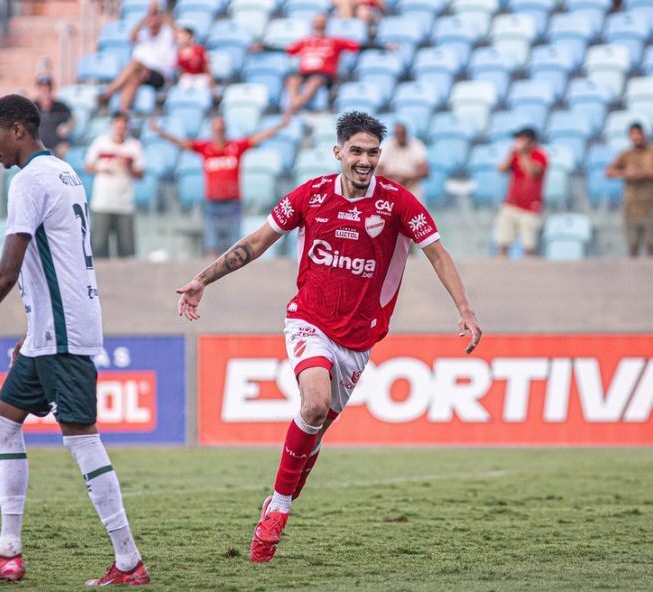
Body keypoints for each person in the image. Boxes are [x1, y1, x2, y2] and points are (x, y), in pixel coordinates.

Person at [174, 111, 482, 564]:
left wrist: (465, 309)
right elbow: (258, 241)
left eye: (372, 152)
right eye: (356, 151)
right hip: (309, 321)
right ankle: (278, 510)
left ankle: (278, 499)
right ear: (338, 152)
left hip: (359, 339)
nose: (364, 160)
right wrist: (204, 277)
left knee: (315, 431)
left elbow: (437, 253)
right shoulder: (311, 194)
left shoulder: (398, 202)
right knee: (313, 404)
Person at [0, 94, 149, 586]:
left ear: (17, 130)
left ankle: (129, 561)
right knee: (3, 422)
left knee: (81, 438)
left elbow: (8, 270)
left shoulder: (29, 179)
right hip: (53, 328)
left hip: (65, 331)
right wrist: (34, 329)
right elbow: (58, 261)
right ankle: (8, 551)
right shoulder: (65, 171)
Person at [150, 113, 291, 257]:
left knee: (234, 245)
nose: (219, 132)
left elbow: (258, 138)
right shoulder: (205, 148)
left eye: (221, 129)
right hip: (212, 203)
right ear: (211, 131)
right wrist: (160, 132)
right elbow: (181, 143)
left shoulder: (235, 147)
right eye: (216, 129)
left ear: (225, 130)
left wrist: (280, 126)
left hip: (233, 203)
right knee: (212, 244)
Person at [85, 111, 144, 258]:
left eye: (124, 125)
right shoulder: (100, 142)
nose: (121, 128)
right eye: (118, 124)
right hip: (102, 201)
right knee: (99, 247)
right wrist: (101, 169)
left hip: (124, 203)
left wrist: (127, 167)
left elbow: (140, 174)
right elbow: (88, 166)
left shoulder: (134, 146)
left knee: (126, 249)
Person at [99, 4, 177, 113]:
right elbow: (131, 36)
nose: (152, 27)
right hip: (142, 73)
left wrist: (161, 12)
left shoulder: (166, 36)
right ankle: (123, 112)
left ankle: (108, 93)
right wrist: (147, 15)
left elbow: (177, 33)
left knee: (135, 64)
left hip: (160, 75)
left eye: (155, 25)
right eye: (150, 24)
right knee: (133, 79)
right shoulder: (143, 35)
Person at [283, 14, 366, 114]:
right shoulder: (305, 41)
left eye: (321, 21)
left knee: (314, 81)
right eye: (317, 21)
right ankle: (295, 102)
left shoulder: (334, 41)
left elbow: (358, 46)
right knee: (292, 80)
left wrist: (382, 46)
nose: (319, 24)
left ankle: (295, 106)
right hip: (305, 73)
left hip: (324, 75)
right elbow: (287, 50)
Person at [493, 128, 548, 257]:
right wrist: (511, 154)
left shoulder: (540, 155)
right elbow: (501, 169)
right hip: (512, 204)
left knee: (528, 247)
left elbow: (532, 173)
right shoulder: (514, 154)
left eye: (521, 138)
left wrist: (523, 154)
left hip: (531, 207)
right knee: (503, 243)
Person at [606, 122, 653, 257]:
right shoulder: (626, 155)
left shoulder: (652, 152)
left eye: (638, 134)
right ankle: (633, 277)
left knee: (652, 246)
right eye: (633, 135)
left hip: (651, 206)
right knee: (633, 246)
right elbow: (609, 172)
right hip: (631, 206)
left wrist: (643, 173)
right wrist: (626, 173)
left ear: (644, 135)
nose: (636, 138)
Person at [377, 122, 429, 202]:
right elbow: (379, 172)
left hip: (412, 190)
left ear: (406, 133)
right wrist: (398, 177)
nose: (400, 136)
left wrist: (406, 178)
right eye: (398, 133)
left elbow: (424, 172)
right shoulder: (386, 145)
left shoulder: (417, 145)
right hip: (390, 190)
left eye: (402, 133)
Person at [32, 72, 73, 159]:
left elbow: (71, 120)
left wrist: (67, 126)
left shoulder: (61, 107)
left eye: (47, 88)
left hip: (57, 147)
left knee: (65, 151)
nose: (45, 91)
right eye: (42, 88)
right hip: (37, 146)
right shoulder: (32, 107)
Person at [174, 25, 213, 91]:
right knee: (184, 82)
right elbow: (181, 71)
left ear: (189, 36)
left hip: (200, 77)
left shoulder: (199, 50)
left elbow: (207, 69)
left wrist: (212, 83)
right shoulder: (179, 52)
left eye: (182, 35)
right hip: (188, 79)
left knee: (200, 84)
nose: (179, 38)